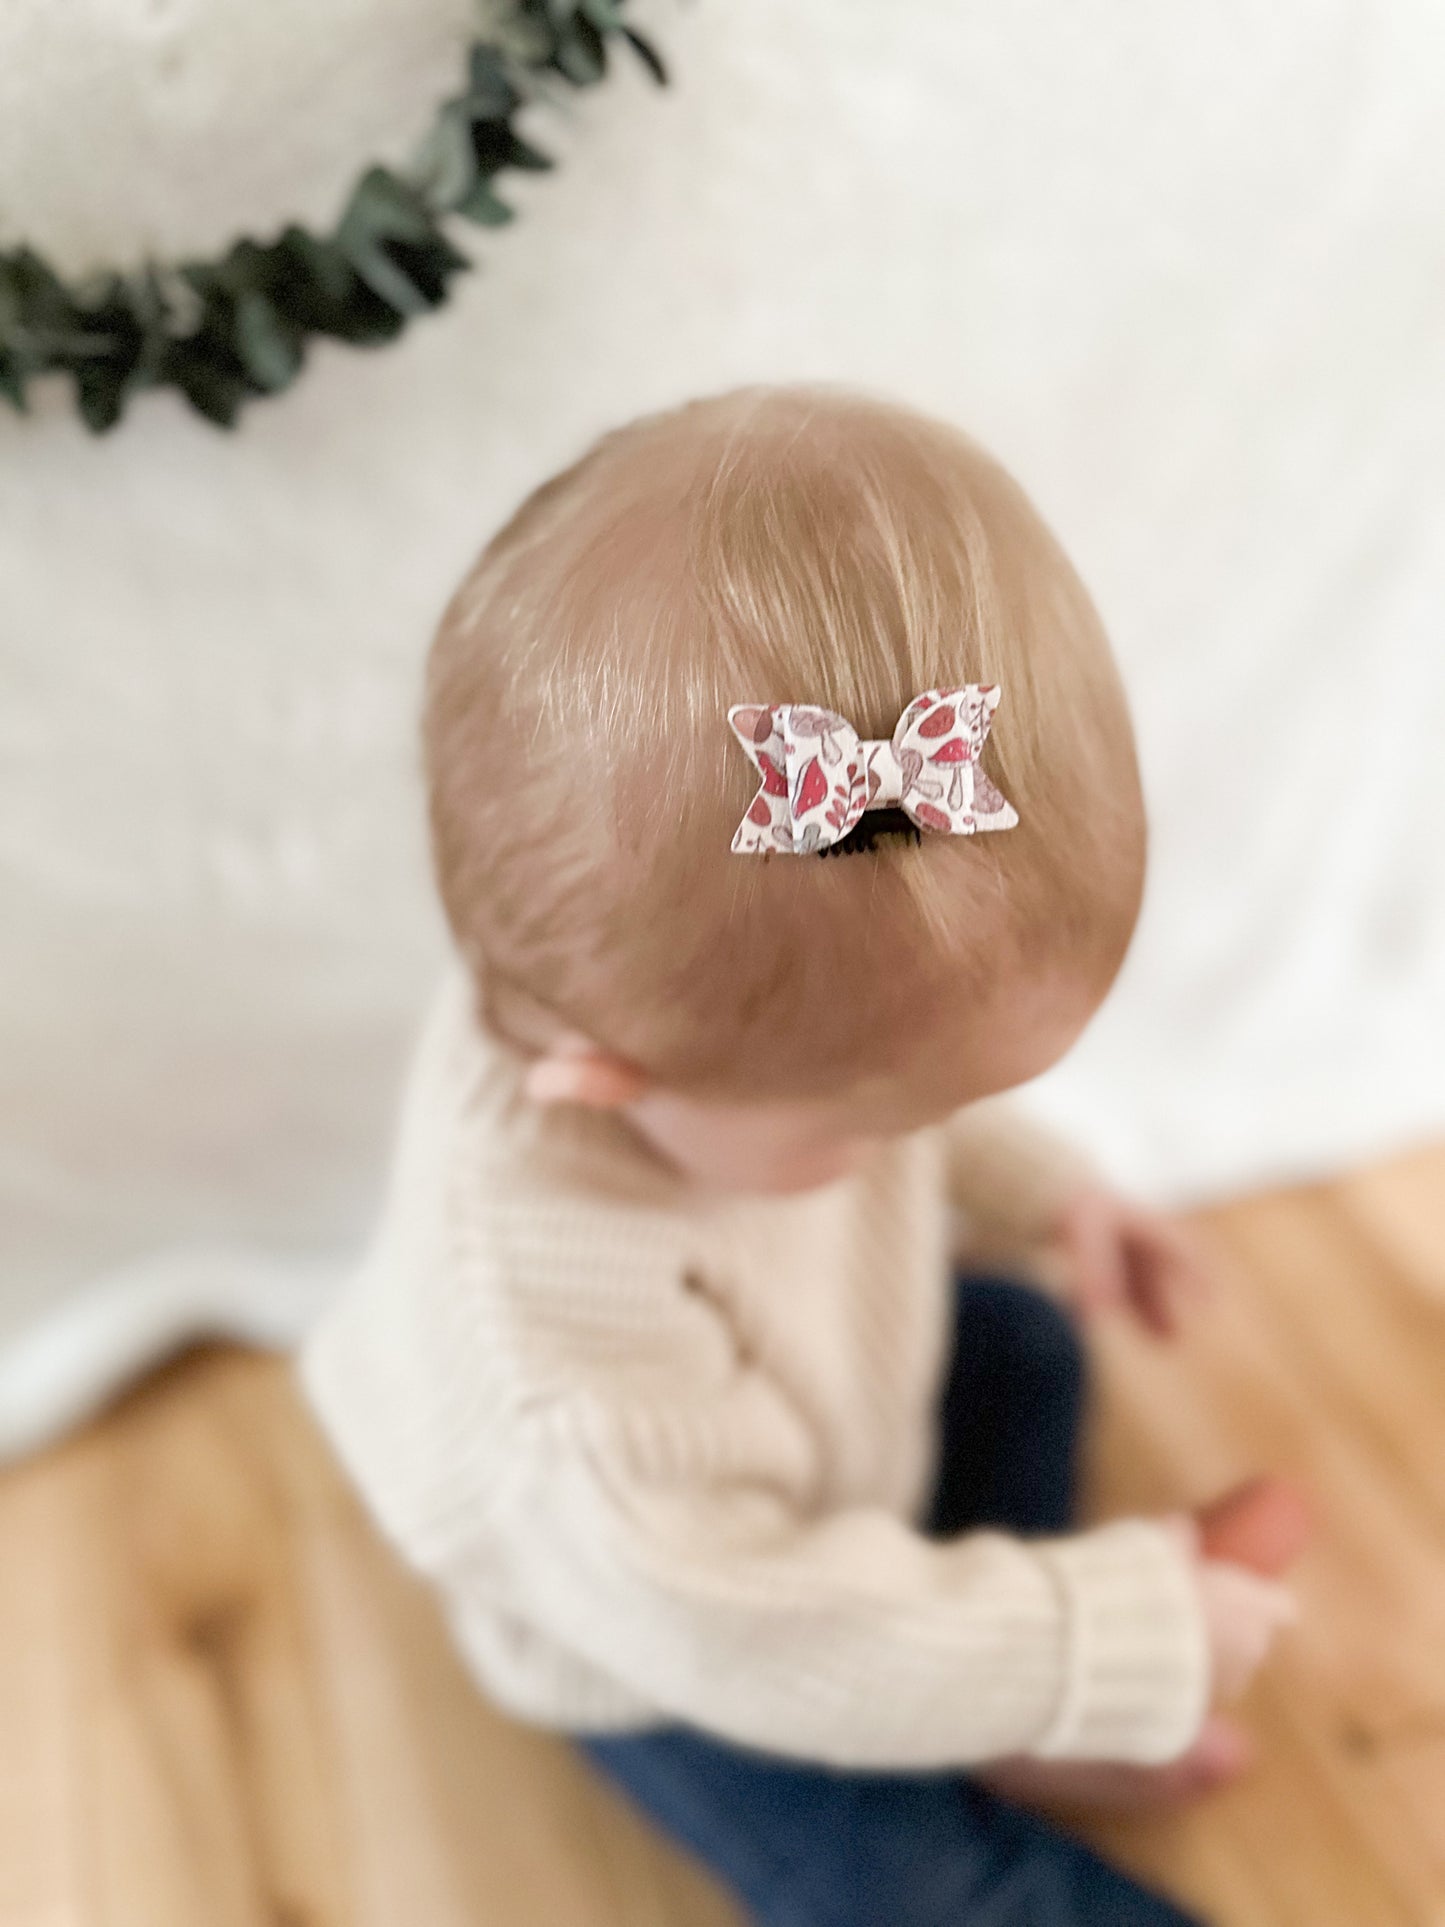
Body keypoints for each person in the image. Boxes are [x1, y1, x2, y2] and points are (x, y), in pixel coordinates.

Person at [302, 387, 1302, 1924]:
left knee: (1026, 1343)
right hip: (682, 1640)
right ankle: (1009, 1692)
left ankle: (1000, 1697)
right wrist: (1112, 1630)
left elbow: (909, 1085)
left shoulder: (683, 1009)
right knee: (904, 1882)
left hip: (813, 1424)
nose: (906, 1146)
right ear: (604, 1080)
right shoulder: (557, 1376)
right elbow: (755, 1625)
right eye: (868, 1130)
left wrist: (1054, 1196)